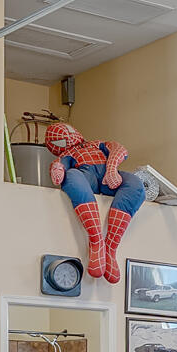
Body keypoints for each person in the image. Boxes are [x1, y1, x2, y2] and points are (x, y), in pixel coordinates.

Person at [44, 121, 145, 283]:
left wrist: (111, 168)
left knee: (135, 185)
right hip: (86, 177)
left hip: (110, 179)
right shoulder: (68, 156)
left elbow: (119, 149)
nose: (67, 138)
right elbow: (60, 169)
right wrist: (57, 168)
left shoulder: (97, 144)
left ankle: (110, 247)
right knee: (72, 176)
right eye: (59, 141)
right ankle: (96, 240)